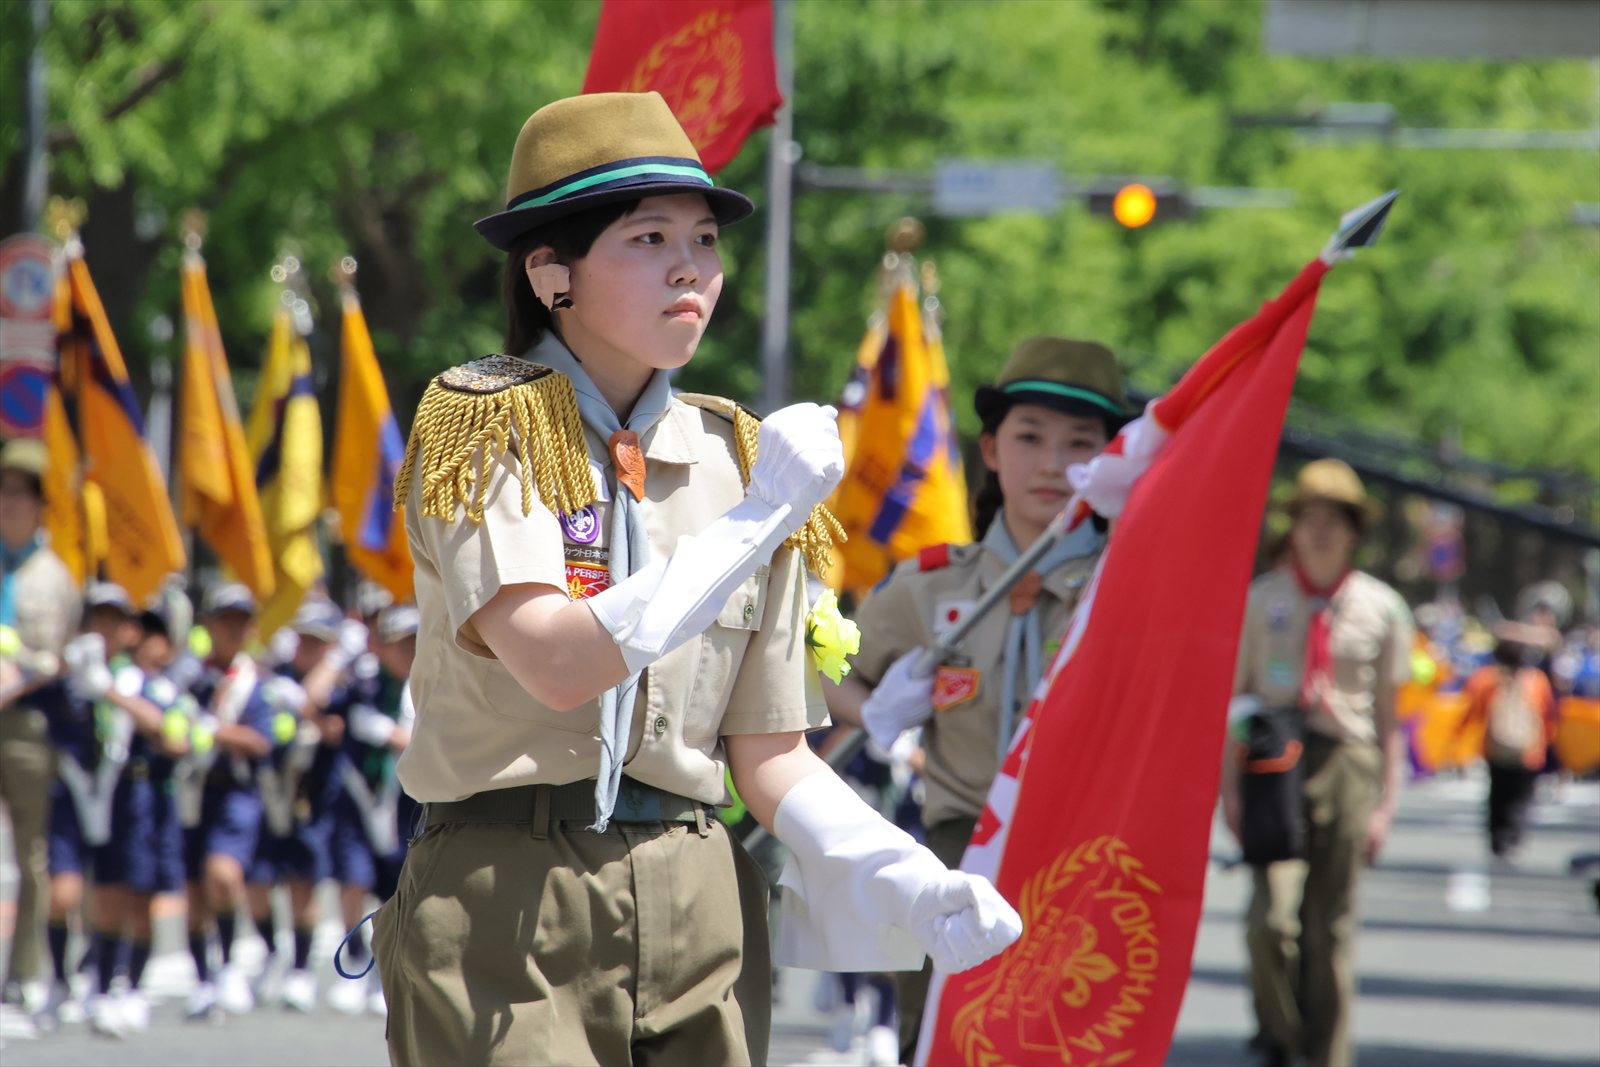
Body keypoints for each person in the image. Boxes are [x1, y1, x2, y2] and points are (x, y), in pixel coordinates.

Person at [374, 91, 1021, 1066]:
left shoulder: (740, 454)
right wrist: (755, 523)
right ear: (551, 273)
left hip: (700, 895)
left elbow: (770, 755)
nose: (691, 266)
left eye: (705, 240)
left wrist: (895, 868)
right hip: (508, 887)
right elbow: (557, 661)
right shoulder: (485, 425)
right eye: (648, 238)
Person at [824, 335, 1130, 1063]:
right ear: (990, 449)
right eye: (1030, 437)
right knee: (943, 1044)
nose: (1052, 463)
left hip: (1087, 866)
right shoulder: (932, 587)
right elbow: (819, 672)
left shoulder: (1128, 589)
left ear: (1112, 460)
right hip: (960, 864)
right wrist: (874, 710)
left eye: (1080, 442)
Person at [1221, 458, 1413, 1067]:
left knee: (1330, 926)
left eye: (1335, 520)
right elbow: (1236, 700)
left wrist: (1385, 807)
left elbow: (1390, 721)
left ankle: (1327, 1055)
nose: (1321, 531)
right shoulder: (1262, 600)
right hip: (1273, 759)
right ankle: (1282, 1034)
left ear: (1354, 531)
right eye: (1310, 518)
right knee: (1272, 921)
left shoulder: (1383, 608)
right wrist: (1229, 791)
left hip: (1347, 761)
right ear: (1294, 528)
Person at [77, 586, 194, 1037]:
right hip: (112, 793)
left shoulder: (159, 686)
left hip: (150, 796)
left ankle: (133, 989)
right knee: (108, 895)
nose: (149, 643)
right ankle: (102, 986)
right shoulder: (109, 673)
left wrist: (113, 694)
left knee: (143, 897)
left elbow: (171, 733)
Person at [36, 581, 141, 1032]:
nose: (105, 628)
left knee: (112, 901)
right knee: (63, 893)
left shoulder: (135, 678)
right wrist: (55, 667)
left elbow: (162, 724)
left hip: (120, 795)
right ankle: (60, 981)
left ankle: (103, 986)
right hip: (71, 794)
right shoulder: (69, 678)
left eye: (114, 620)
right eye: (97, 618)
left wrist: (108, 690)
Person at [0, 438, 81, 1017]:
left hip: (27, 723)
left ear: (40, 505)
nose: (7, 503)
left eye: (19, 494)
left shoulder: (53, 575)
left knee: (32, 852)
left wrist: (12, 681)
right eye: (2, 492)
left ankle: (25, 972)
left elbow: (55, 656)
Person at [177, 582, 279, 1020]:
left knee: (222, 874)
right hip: (189, 789)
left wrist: (213, 730)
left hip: (235, 790)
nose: (233, 630)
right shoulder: (190, 676)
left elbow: (262, 740)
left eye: (241, 622)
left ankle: (233, 963)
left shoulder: (256, 681)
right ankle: (204, 978)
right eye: (225, 621)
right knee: (192, 890)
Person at [246, 596, 348, 1012]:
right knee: (255, 883)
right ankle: (273, 951)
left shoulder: (339, 682)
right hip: (269, 790)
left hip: (311, 795)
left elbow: (329, 721)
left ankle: (302, 970)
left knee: (303, 885)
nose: (307, 648)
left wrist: (330, 667)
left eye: (317, 642)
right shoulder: (278, 675)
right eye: (303, 639)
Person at [325, 601, 418, 1016]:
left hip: (407, 803)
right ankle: (356, 959)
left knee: (397, 889)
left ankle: (385, 970)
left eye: (415, 642)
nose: (409, 651)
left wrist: (392, 733)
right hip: (359, 799)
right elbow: (314, 703)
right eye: (400, 643)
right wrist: (337, 657)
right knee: (353, 880)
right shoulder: (362, 683)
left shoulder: (431, 685)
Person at [1455, 620, 1559, 862]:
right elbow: (1549, 715)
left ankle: (1498, 839)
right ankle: (1515, 838)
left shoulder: (1486, 679)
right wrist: (1548, 740)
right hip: (1529, 750)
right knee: (1522, 796)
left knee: (1498, 793)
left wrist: (1458, 740)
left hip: (1495, 747)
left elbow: (1471, 711)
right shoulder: (1537, 680)